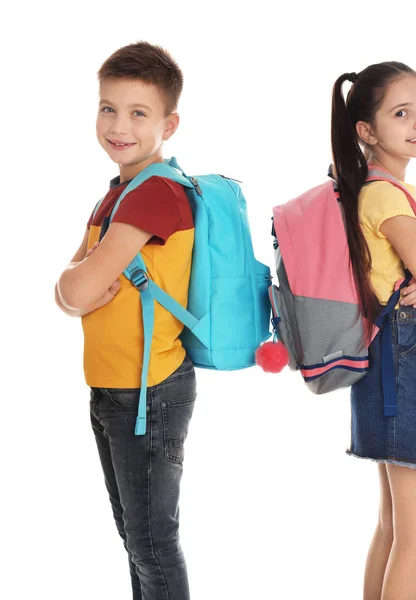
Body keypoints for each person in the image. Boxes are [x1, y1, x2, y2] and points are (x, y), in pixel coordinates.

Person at [55, 41, 196, 600]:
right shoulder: (119, 194)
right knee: (137, 541)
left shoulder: (153, 195)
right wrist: (74, 286)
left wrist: (75, 285)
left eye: (139, 113)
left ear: (170, 122)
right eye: (108, 108)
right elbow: (73, 288)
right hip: (115, 388)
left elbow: (75, 287)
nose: (120, 125)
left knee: (152, 545)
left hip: (147, 390)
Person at [330, 62, 416, 600]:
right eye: (400, 113)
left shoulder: (371, 189)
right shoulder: (387, 198)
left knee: (393, 525)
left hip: (381, 367)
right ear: (366, 131)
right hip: (401, 374)